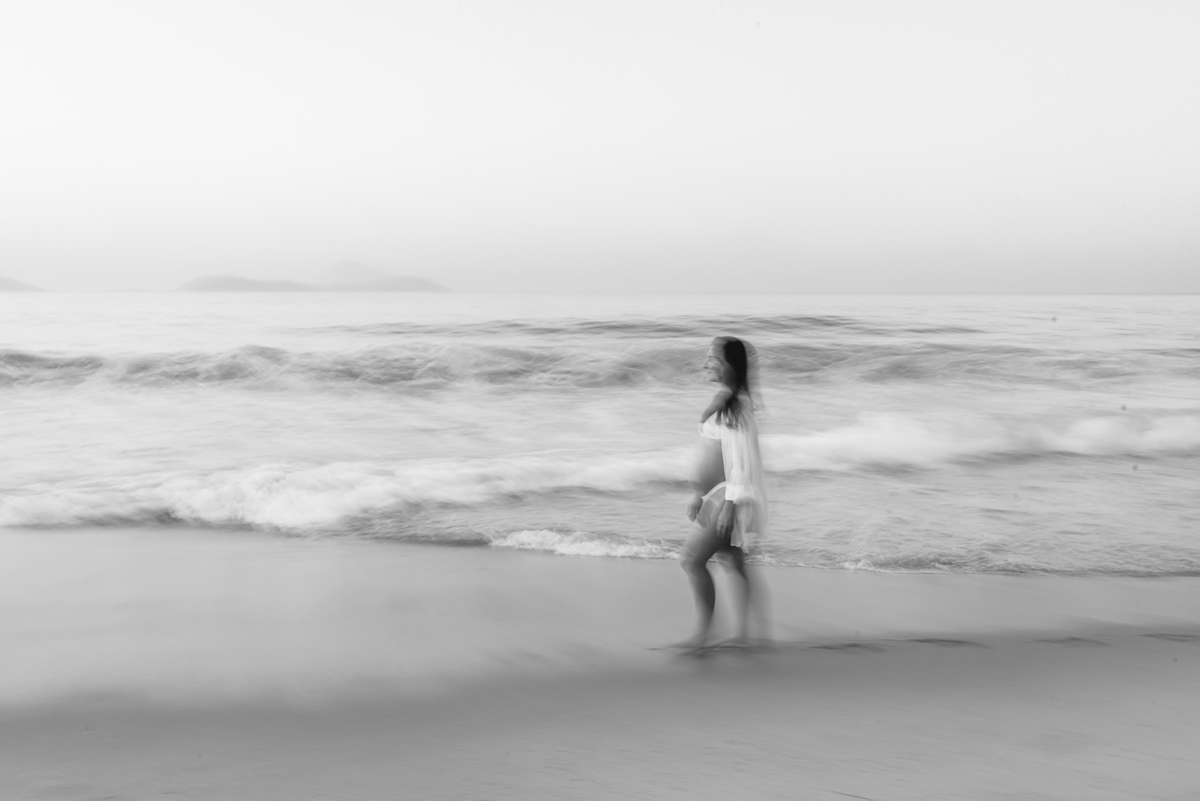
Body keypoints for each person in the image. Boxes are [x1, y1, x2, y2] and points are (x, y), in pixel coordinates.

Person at [678, 336, 769, 652]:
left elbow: (741, 461)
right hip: (716, 494)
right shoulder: (727, 398)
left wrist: (731, 505)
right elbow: (714, 451)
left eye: (713, 359)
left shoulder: (737, 407)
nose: (706, 364)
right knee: (732, 560)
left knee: (691, 560)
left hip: (727, 495)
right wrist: (697, 493)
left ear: (730, 365)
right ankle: (746, 635)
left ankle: (704, 636)